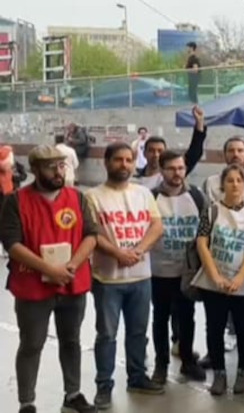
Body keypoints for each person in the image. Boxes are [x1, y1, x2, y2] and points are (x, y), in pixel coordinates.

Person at [1, 145, 99, 413]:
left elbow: (91, 234)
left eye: (61, 165)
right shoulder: (16, 201)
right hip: (32, 286)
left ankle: (73, 394)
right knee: (32, 344)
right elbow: (12, 243)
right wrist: (48, 268)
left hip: (72, 282)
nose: (58, 172)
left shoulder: (77, 197)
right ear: (35, 169)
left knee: (71, 341)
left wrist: (73, 265)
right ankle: (27, 402)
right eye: (50, 166)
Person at [86, 142, 165, 409]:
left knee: (138, 332)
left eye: (129, 160)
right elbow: (93, 233)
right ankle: (104, 385)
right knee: (107, 335)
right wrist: (118, 253)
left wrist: (139, 250)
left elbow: (156, 225)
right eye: (118, 159)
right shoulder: (93, 196)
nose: (124, 165)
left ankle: (137, 377)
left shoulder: (143, 193)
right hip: (107, 280)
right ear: (106, 162)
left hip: (141, 278)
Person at [191, 164, 244, 396]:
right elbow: (202, 244)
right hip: (215, 282)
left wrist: (240, 277)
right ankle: (219, 373)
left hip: (243, 281)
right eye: (229, 180)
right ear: (222, 184)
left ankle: (243, 371)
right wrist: (215, 276)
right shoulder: (212, 211)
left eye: (238, 180)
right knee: (214, 328)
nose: (234, 184)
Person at [148, 150, 207, 384]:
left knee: (187, 317)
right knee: (160, 317)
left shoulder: (197, 196)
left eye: (181, 168)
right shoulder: (151, 197)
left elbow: (207, 229)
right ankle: (161, 364)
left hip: (187, 271)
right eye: (171, 168)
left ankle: (187, 361)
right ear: (161, 170)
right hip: (159, 270)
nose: (177, 173)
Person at [134, 106, 206, 189]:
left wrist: (199, 123)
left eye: (160, 151)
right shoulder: (135, 180)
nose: (156, 155)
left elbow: (195, 153)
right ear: (144, 153)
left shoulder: (173, 175)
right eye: (151, 151)